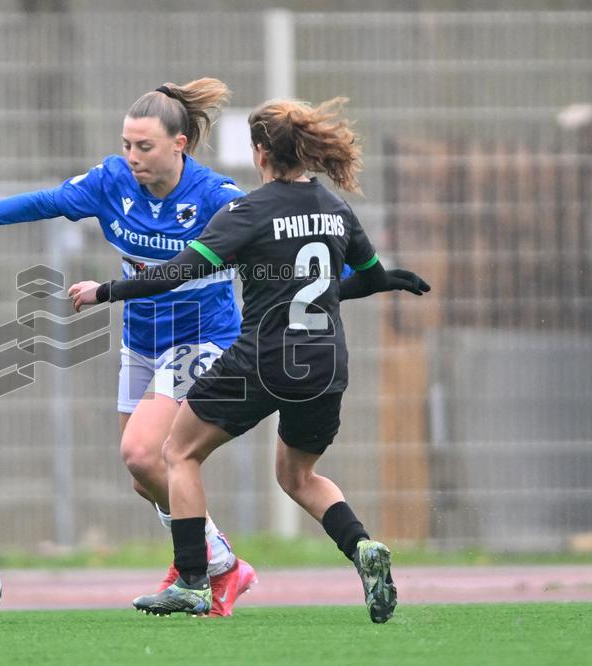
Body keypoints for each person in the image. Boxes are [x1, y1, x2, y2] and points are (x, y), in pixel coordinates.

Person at [0, 78, 260, 615]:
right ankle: (209, 557)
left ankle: (215, 564)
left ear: (179, 144)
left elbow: (274, 233)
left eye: (145, 146)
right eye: (126, 144)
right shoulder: (112, 181)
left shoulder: (213, 196)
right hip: (142, 341)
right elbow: (44, 201)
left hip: (203, 338)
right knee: (143, 477)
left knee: (143, 453)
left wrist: (346, 271)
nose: (132, 156)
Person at [68, 96, 430, 623]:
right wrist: (386, 279)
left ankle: (194, 581)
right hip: (324, 364)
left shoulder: (247, 212)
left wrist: (107, 291)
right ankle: (361, 547)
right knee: (299, 476)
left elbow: (176, 272)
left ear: (260, 152)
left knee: (178, 452)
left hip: (262, 360)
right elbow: (366, 279)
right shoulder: (336, 210)